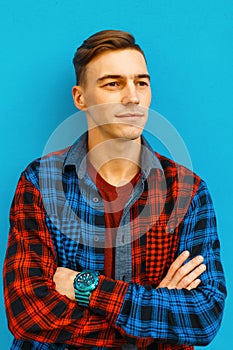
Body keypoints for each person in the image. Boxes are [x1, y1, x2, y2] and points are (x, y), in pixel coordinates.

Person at [3, 30, 226, 350]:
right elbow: (29, 314)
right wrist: (154, 321)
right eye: (113, 83)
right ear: (80, 98)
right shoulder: (41, 182)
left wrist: (85, 287)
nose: (132, 97)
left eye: (141, 83)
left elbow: (204, 318)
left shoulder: (186, 192)